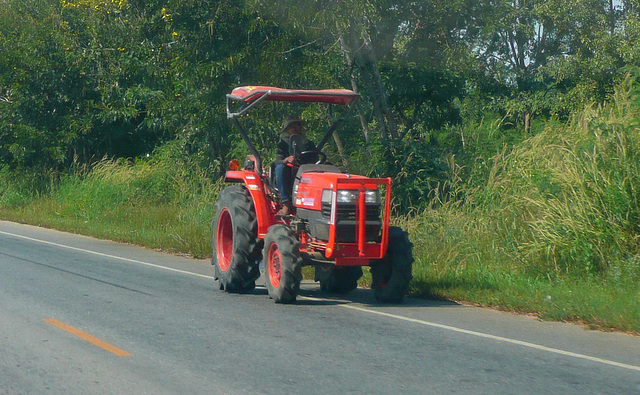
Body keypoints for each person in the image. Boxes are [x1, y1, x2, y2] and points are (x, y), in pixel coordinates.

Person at [275, 114, 317, 215]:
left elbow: (316, 159)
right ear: (287, 130)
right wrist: (286, 160)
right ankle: (286, 204)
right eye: (291, 126)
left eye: (297, 125)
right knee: (280, 168)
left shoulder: (309, 144)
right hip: (288, 172)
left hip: (307, 171)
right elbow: (278, 161)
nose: (295, 128)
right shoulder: (283, 145)